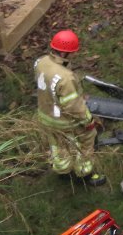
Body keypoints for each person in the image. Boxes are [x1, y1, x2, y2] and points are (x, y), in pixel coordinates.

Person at [34, 30, 106, 186]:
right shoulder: (66, 78)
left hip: (45, 115)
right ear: (66, 52)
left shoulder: (41, 62)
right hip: (64, 121)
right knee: (86, 141)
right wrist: (88, 121)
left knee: (58, 144)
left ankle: (63, 171)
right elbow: (73, 106)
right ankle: (84, 174)